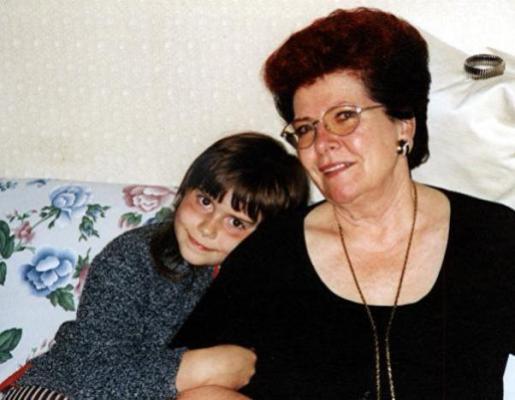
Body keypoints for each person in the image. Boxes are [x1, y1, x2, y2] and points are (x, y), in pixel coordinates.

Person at [171, 8, 515, 400]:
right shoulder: (271, 253)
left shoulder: (492, 237)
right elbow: (184, 385)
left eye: (345, 116)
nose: (323, 143)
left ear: (403, 124)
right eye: (305, 129)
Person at [3, 132, 310, 400]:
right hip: (62, 388)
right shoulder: (133, 256)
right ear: (184, 191)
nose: (207, 228)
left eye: (236, 222)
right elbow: (90, 371)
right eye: (205, 201)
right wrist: (190, 370)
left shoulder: (263, 286)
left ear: (266, 237)